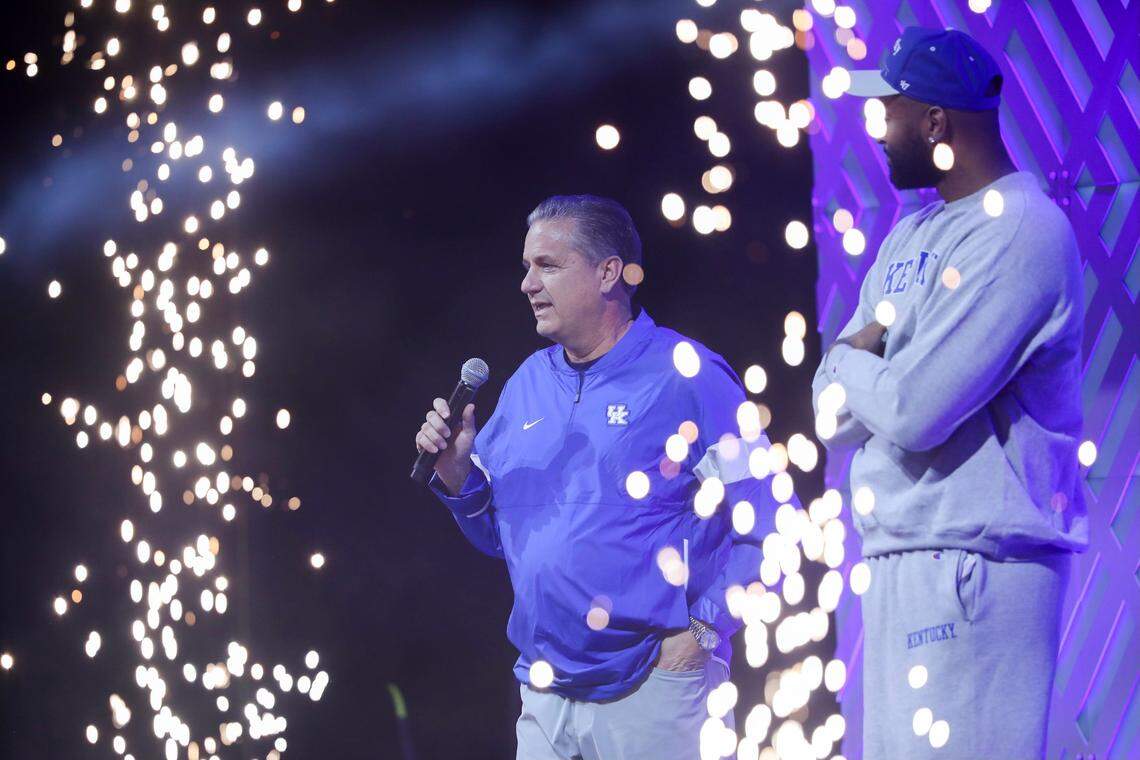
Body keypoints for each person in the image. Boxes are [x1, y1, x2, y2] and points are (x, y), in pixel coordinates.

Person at [415, 195, 781, 759]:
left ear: (609, 272)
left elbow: (773, 519)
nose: (527, 284)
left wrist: (705, 630)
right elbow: (503, 539)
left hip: (655, 692)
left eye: (548, 265)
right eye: (526, 267)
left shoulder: (688, 376)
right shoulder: (528, 385)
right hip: (544, 692)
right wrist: (459, 477)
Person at [812, 27, 1087, 759]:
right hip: (901, 554)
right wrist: (857, 368)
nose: (879, 128)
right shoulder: (910, 236)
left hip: (979, 566)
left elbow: (916, 411)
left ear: (936, 122)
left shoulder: (1023, 232)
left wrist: (849, 358)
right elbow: (829, 417)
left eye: (891, 110)